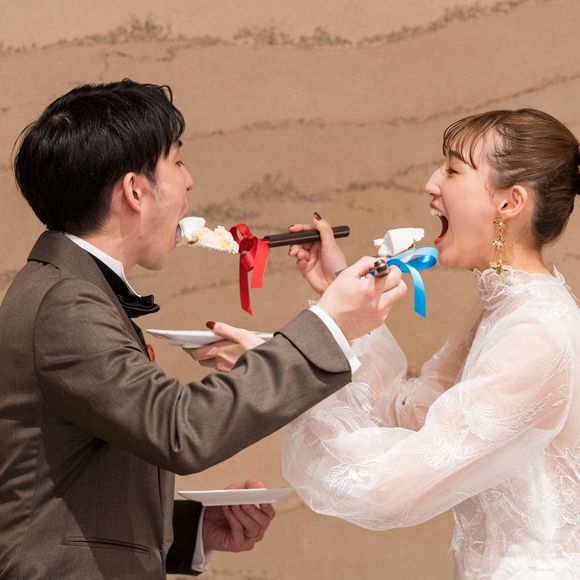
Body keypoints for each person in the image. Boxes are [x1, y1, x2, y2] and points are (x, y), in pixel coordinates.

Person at [0, 80, 407, 579]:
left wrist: (188, 529)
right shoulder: (66, 302)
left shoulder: (65, 288)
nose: (189, 181)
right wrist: (330, 324)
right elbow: (178, 428)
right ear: (134, 190)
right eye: (177, 161)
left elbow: (71, 472)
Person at [202, 110, 580, 579]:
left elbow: (382, 491)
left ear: (510, 202)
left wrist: (280, 375)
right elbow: (404, 414)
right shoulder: (506, 309)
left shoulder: (535, 331)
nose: (430, 183)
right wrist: (340, 295)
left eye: (452, 170)